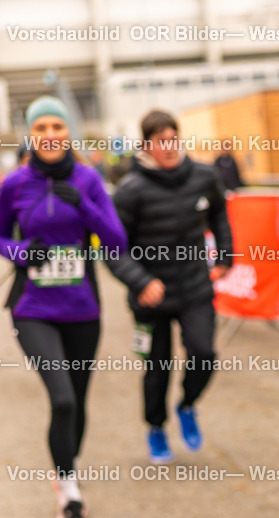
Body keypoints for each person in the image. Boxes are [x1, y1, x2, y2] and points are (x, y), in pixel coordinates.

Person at [0, 95, 127, 518]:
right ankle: (69, 494)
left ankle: (66, 465)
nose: (50, 135)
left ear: (69, 132)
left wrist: (85, 207)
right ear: (30, 135)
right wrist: (21, 252)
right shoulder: (14, 184)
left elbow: (116, 242)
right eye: (41, 128)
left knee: (80, 402)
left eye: (57, 127)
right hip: (33, 308)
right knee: (62, 399)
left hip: (82, 307)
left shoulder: (89, 179)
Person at [106, 110, 233, 463]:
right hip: (150, 299)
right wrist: (141, 282)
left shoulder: (203, 176)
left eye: (173, 138)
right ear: (146, 145)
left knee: (204, 355)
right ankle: (156, 428)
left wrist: (224, 255)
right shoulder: (130, 191)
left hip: (194, 288)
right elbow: (113, 249)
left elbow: (220, 213)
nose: (169, 147)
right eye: (161, 141)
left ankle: (188, 405)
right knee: (157, 368)